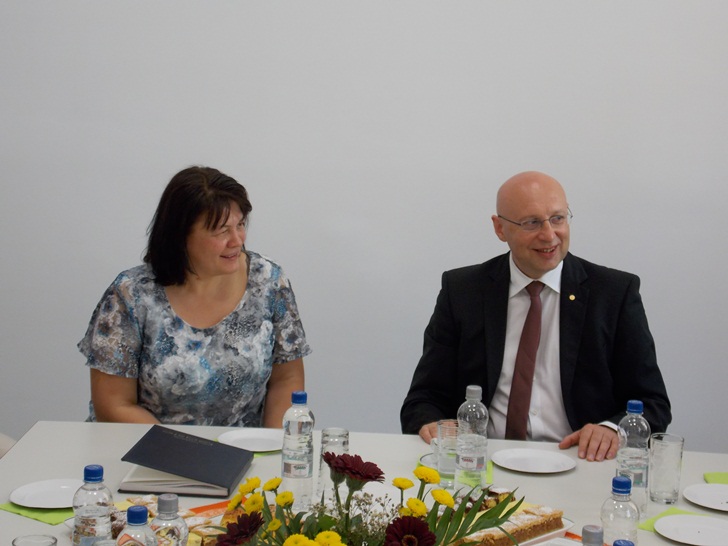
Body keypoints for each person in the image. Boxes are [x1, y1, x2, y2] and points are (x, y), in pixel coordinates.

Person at [401, 171, 671, 462]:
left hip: (578, 461)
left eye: (558, 218)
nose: (549, 235)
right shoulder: (463, 291)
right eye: (531, 222)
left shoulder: (614, 294)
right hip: (482, 462)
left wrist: (611, 430)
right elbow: (424, 399)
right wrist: (432, 424)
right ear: (500, 228)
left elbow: (653, 404)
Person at [78, 166, 311, 428]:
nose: (237, 240)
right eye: (222, 231)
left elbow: (286, 380)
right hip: (148, 446)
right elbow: (113, 405)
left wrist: (274, 445)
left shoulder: (268, 281)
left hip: (243, 448)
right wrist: (184, 449)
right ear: (181, 235)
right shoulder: (130, 296)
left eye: (240, 225)